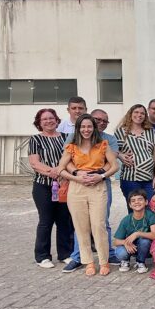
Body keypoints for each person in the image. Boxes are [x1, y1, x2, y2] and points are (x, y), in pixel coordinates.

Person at [56, 113, 119, 276]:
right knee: (81, 226)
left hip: (98, 187)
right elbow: (60, 168)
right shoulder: (72, 146)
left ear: (93, 128)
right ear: (78, 128)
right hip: (77, 189)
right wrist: (76, 176)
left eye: (89, 126)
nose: (86, 129)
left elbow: (114, 166)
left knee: (99, 225)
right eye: (83, 126)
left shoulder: (102, 145)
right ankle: (88, 261)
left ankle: (104, 261)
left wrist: (102, 176)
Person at [29, 108, 73, 267]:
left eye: (51, 118)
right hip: (43, 186)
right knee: (46, 221)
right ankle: (42, 256)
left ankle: (65, 254)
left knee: (64, 221)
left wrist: (63, 173)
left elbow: (72, 159)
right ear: (39, 123)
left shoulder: (66, 138)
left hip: (64, 185)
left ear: (56, 119)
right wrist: (54, 172)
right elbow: (34, 163)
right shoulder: (35, 139)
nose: (48, 121)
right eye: (44, 119)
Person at [114, 104, 155, 206]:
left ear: (145, 116)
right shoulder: (121, 132)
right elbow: (111, 150)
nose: (139, 115)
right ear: (130, 114)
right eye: (136, 112)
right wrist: (120, 156)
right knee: (134, 208)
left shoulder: (151, 132)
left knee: (149, 207)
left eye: (142, 113)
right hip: (130, 178)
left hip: (148, 178)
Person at [113, 189, 155, 273]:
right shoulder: (126, 220)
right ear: (130, 205)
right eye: (133, 201)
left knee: (144, 241)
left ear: (146, 202)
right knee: (120, 252)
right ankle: (125, 261)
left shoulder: (150, 215)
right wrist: (125, 243)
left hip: (146, 248)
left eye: (140, 199)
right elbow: (116, 241)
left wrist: (137, 234)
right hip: (131, 246)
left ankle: (140, 262)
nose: (137, 202)